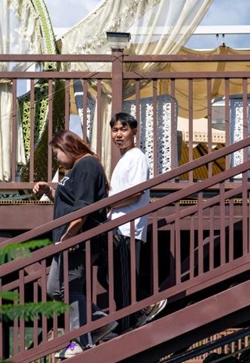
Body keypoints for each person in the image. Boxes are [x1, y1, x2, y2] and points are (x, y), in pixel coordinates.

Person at [33, 130, 117, 359]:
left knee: (69, 288)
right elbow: (70, 203)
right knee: (56, 288)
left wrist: (71, 235)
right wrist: (49, 191)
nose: (57, 157)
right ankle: (99, 322)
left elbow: (83, 208)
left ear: (68, 147)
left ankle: (79, 341)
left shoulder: (87, 165)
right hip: (68, 238)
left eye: (57, 152)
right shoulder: (77, 169)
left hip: (77, 239)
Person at [101, 112, 166, 333]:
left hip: (128, 228)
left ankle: (141, 309)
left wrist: (110, 204)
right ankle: (142, 308)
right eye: (115, 130)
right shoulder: (123, 159)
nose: (118, 134)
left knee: (123, 280)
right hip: (117, 226)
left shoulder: (137, 156)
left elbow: (136, 194)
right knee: (107, 275)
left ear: (134, 132)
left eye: (123, 129)